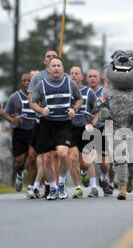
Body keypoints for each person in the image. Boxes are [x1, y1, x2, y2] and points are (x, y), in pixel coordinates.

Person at [30, 56, 83, 200]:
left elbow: (79, 99)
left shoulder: (70, 83)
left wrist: (74, 109)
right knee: (46, 158)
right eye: (53, 65)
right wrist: (41, 111)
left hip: (64, 123)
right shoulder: (41, 84)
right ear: (48, 69)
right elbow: (33, 102)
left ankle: (61, 182)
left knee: (63, 153)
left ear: (63, 68)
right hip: (47, 124)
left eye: (58, 65)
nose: (56, 68)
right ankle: (52, 187)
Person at [28, 50, 59, 198]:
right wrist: (42, 110)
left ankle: (56, 185)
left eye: (54, 56)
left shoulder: (63, 77)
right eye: (48, 56)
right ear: (44, 60)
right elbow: (31, 100)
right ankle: (45, 185)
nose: (51, 58)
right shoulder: (38, 78)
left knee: (57, 155)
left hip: (60, 121)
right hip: (42, 121)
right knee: (43, 156)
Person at [3, 73, 38, 199]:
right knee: (20, 161)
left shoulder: (38, 95)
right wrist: (12, 120)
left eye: (29, 80)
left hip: (34, 130)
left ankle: (31, 187)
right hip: (20, 131)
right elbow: (5, 113)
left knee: (32, 159)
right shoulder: (14, 97)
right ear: (21, 82)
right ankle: (19, 175)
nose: (27, 83)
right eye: (24, 81)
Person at [69, 66, 99, 198]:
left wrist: (92, 124)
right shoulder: (66, 91)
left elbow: (97, 111)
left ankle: (90, 182)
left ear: (82, 77)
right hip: (70, 128)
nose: (74, 76)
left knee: (86, 161)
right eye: (72, 74)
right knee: (73, 158)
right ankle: (78, 188)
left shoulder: (88, 92)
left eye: (77, 74)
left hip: (86, 128)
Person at [87, 68, 113, 196]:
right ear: (87, 79)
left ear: (99, 79)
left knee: (103, 162)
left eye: (94, 76)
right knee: (89, 156)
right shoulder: (83, 93)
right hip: (87, 127)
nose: (92, 78)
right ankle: (92, 186)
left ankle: (103, 178)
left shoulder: (106, 92)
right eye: (90, 76)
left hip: (103, 127)